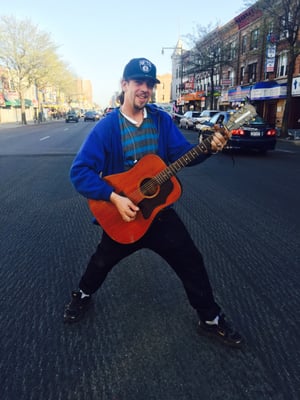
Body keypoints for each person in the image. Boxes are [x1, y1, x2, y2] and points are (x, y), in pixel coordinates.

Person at [64, 57, 243, 348]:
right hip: (122, 214)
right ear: (124, 85)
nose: (145, 89)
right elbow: (79, 172)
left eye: (150, 84)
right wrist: (114, 198)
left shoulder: (161, 120)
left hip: (158, 214)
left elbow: (183, 154)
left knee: (191, 260)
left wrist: (209, 148)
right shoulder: (107, 128)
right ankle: (82, 295)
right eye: (138, 82)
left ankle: (210, 319)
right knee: (100, 261)